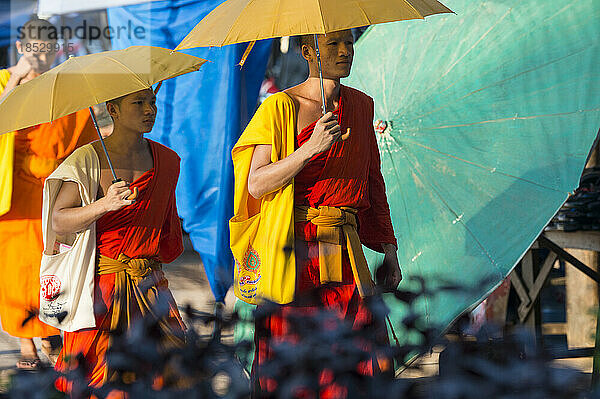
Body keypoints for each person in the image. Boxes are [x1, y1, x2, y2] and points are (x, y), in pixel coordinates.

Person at [230, 30, 402, 397]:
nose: (344, 52)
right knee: (297, 365)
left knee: (356, 364)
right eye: (333, 45)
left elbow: (372, 181)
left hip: (346, 256)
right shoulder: (279, 107)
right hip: (295, 255)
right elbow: (256, 184)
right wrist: (309, 149)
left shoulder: (361, 105)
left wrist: (389, 250)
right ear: (308, 52)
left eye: (349, 44)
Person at [50, 88, 185, 390]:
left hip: (148, 285)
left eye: (152, 102)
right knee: (96, 376)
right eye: (138, 103)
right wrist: (104, 205)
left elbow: (168, 231)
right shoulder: (88, 158)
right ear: (112, 109)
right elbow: (59, 219)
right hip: (100, 290)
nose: (150, 110)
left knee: (161, 374)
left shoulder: (167, 160)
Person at [0, 18, 97, 369]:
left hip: (53, 193)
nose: (40, 59)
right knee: (15, 273)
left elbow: (84, 137)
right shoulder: (2, 80)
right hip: (12, 198)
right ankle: (26, 343)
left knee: (52, 265)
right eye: (33, 51)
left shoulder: (64, 89)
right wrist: (15, 78)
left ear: (56, 51)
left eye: (47, 52)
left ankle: (50, 334)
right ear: (22, 48)